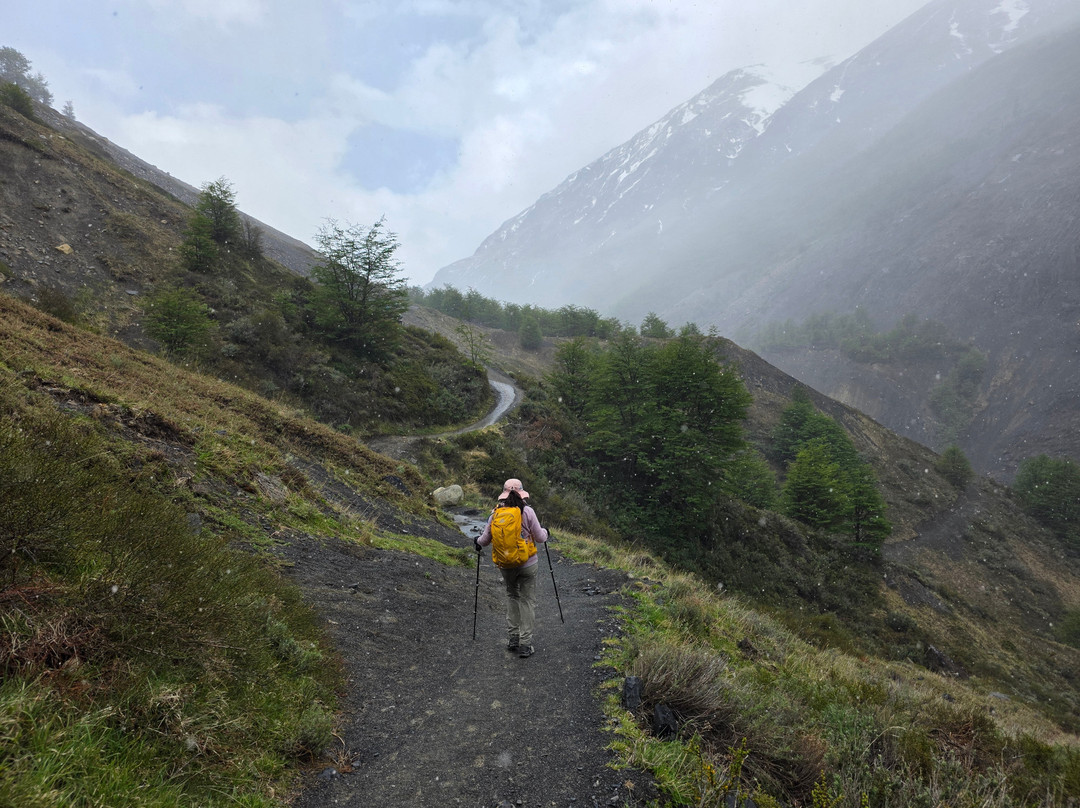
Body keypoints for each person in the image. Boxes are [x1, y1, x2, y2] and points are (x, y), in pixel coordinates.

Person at [474, 478, 549, 658]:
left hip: (506, 564)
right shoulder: (528, 512)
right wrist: (546, 532)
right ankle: (525, 643)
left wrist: (475, 541)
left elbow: (484, 540)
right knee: (527, 600)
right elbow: (540, 537)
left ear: (504, 494)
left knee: (512, 596)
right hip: (528, 564)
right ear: (522, 493)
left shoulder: (496, 514)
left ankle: (513, 638)